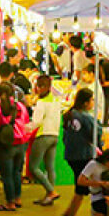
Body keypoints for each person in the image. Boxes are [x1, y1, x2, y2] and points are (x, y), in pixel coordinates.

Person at [0, 81, 30, 212]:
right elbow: (26, 122)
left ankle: (10, 202)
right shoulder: (21, 107)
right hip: (21, 143)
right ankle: (17, 198)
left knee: (6, 175)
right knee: (17, 172)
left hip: (5, 146)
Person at [61, 88, 98, 216]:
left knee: (79, 183)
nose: (93, 102)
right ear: (86, 102)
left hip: (70, 154)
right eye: (92, 100)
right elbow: (95, 135)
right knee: (81, 187)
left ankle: (69, 211)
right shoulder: (86, 118)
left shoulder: (70, 115)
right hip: (82, 155)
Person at [27, 74, 62, 206]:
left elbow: (36, 122)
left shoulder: (41, 103)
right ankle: (49, 196)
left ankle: (51, 191)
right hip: (54, 135)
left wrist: (24, 128)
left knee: (33, 167)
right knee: (50, 167)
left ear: (40, 87)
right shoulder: (56, 100)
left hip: (43, 136)